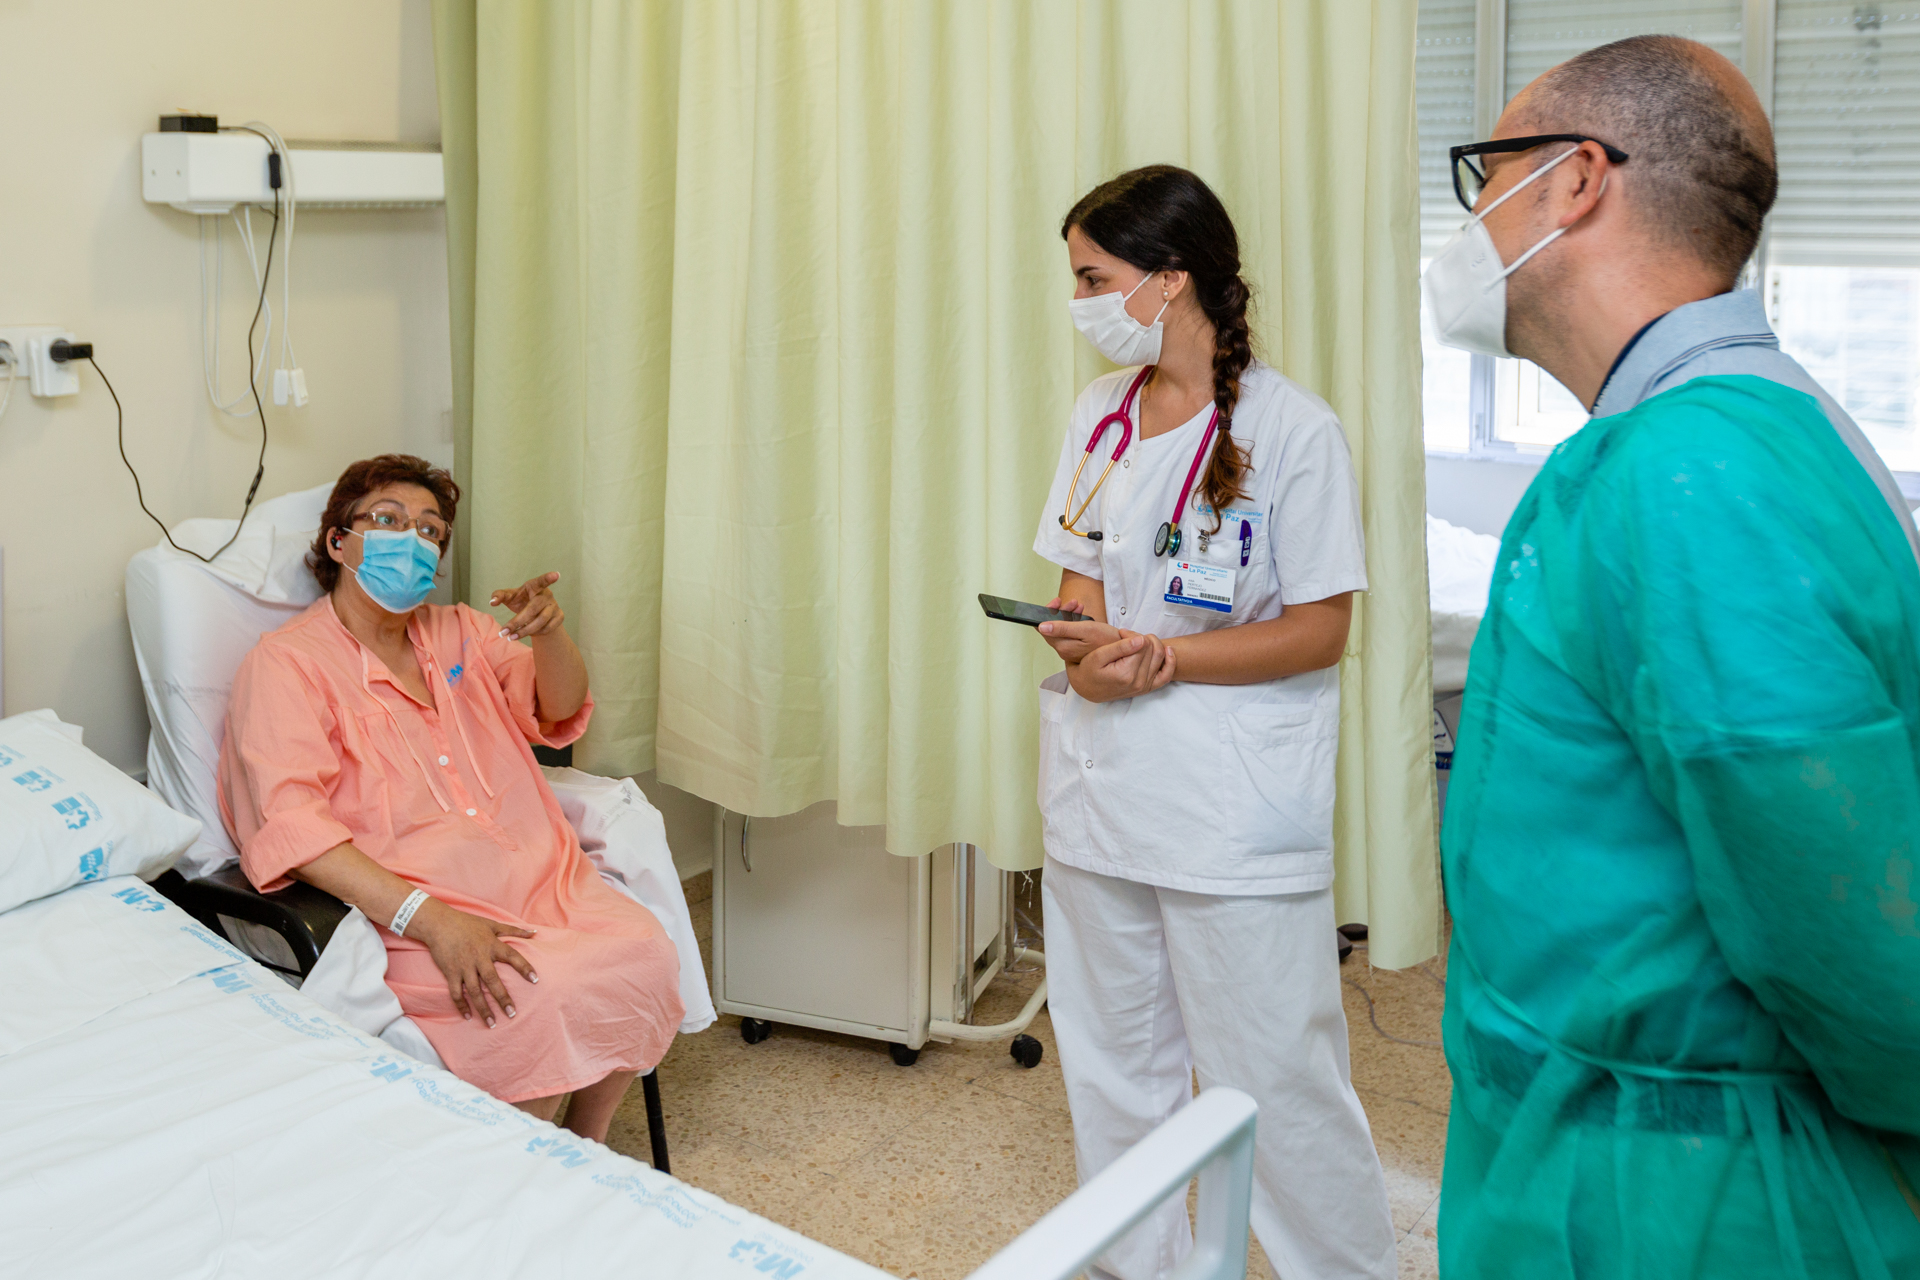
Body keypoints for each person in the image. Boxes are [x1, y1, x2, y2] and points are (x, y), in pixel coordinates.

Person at [1427, 35, 1920, 1277]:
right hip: (1627, 1144)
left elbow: (1849, 922)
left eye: (1484, 173)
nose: (1471, 219)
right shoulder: (1721, 435)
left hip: (1680, 1195)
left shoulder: (1694, 472)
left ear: (1573, 181)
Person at [1030, 165, 1396, 1280]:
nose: (1082, 298)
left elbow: (1322, 627)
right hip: (1102, 796)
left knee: (1273, 1078)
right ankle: (1137, 1263)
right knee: (1111, 1064)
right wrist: (1088, 651)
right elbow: (1074, 586)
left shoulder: (1294, 431)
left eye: (1095, 276)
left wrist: (1169, 655)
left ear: (1169, 279)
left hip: (1231, 809)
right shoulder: (1100, 414)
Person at [218, 454, 683, 1142]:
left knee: (646, 952)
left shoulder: (461, 631)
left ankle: (588, 1145)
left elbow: (558, 706)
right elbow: (295, 829)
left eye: (430, 530)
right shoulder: (287, 665)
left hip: (546, 881)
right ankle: (521, 1167)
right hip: (420, 907)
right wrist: (432, 920)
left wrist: (549, 634)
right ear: (339, 542)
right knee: (533, 993)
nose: (413, 538)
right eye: (388, 520)